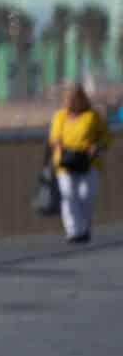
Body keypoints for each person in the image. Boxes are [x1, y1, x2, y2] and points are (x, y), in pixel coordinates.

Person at [48, 82, 109, 245]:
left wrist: (97, 146)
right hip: (66, 162)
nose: (70, 103)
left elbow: (105, 137)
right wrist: (58, 145)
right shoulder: (60, 116)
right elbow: (54, 137)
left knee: (85, 194)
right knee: (68, 194)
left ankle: (84, 227)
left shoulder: (93, 116)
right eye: (67, 99)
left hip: (88, 161)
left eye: (73, 99)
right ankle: (74, 231)